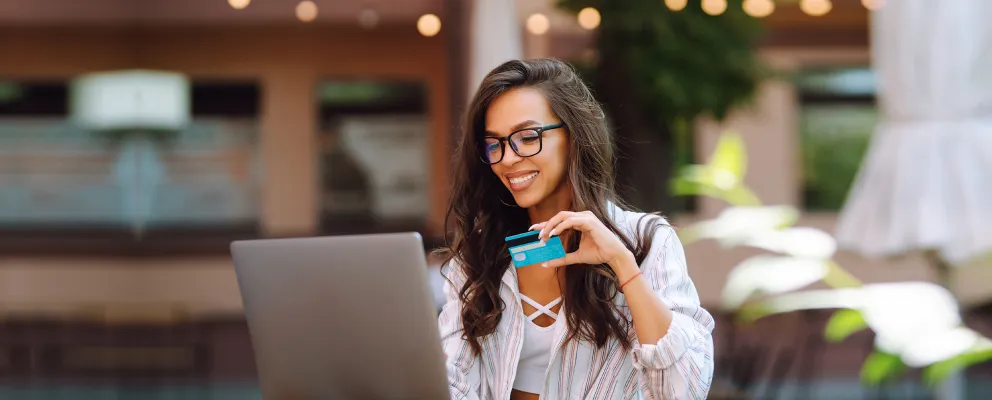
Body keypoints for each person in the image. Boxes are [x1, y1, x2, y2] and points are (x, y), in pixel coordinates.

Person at [436, 58, 714, 400]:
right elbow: (452, 381)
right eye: (495, 144)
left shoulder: (645, 241)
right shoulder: (479, 255)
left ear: (573, 135)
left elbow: (683, 391)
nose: (508, 159)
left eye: (527, 137)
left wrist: (621, 264)